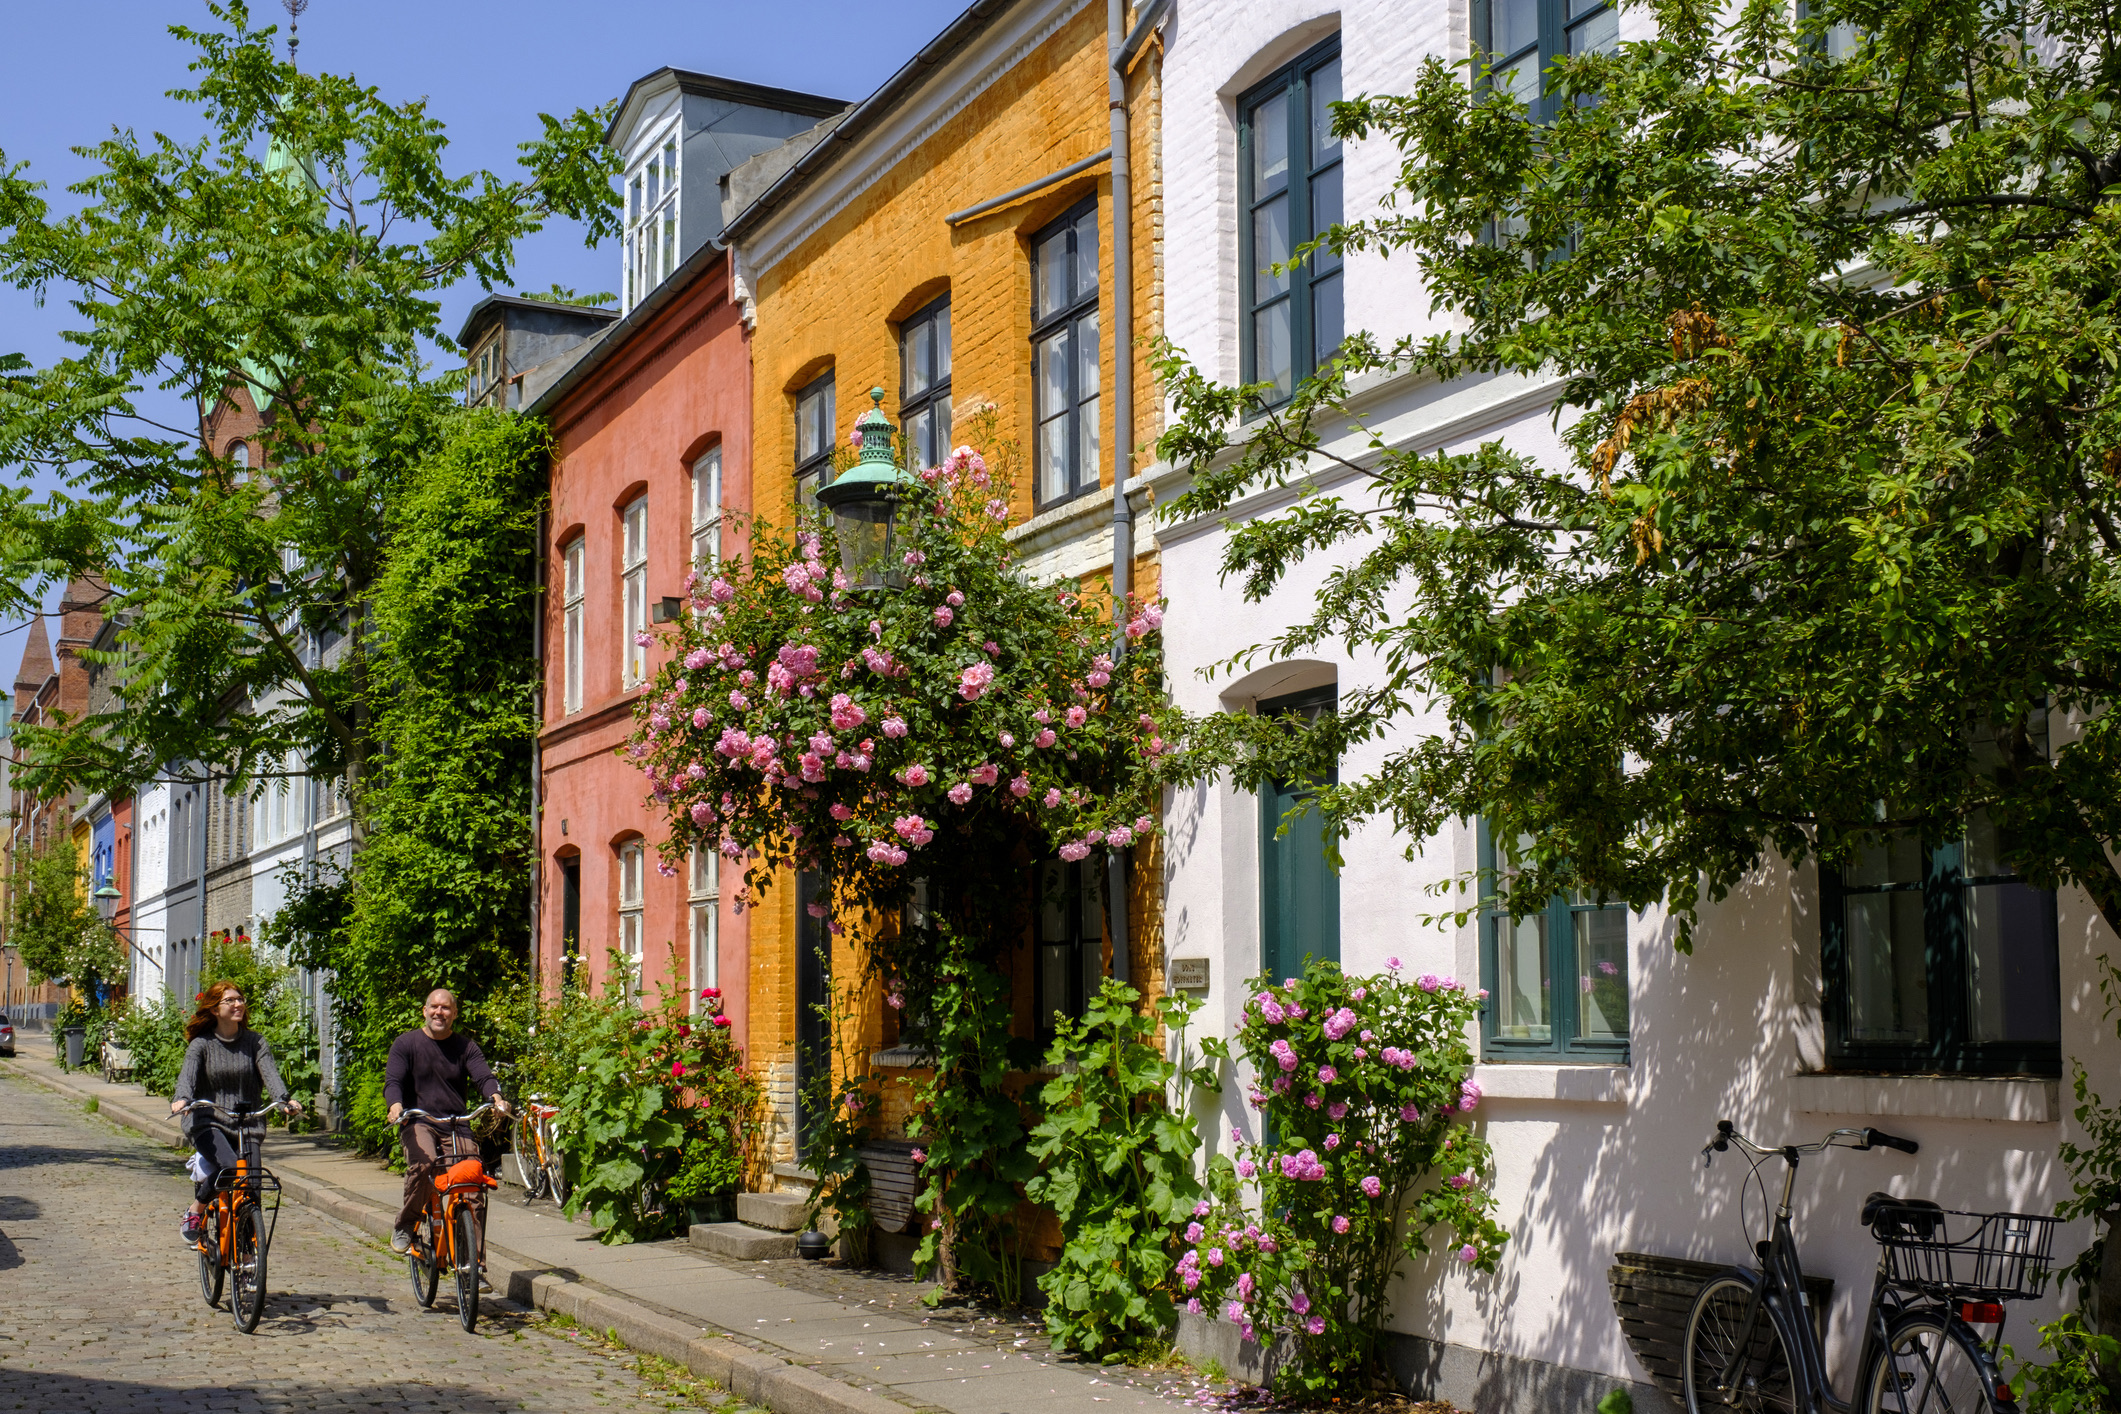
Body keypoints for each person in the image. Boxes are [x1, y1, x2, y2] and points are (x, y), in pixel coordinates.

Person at [384, 988, 510, 1268]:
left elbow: (484, 1077)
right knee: (425, 1163)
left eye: (445, 1008)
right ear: (425, 1010)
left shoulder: (466, 1047)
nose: (439, 1012)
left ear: (454, 1013)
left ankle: (474, 1266)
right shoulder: (406, 1044)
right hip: (419, 1122)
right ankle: (407, 1223)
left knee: (472, 1184)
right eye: (434, 1007)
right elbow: (393, 1081)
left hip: (456, 1123)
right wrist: (395, 1105)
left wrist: (496, 1098)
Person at [171, 981, 302, 1244]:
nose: (238, 1004)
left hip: (247, 1123)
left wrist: (284, 1101)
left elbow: (271, 1076)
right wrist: (182, 1099)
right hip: (209, 1121)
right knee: (230, 1169)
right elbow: (187, 1077)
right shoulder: (201, 1044)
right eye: (230, 1000)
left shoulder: (255, 1042)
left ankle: (247, 1252)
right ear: (214, 1009)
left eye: (240, 999)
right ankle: (195, 1210)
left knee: (252, 1185)